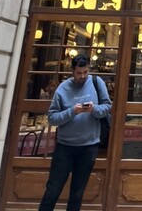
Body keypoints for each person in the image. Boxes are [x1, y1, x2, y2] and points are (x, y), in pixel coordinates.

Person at [38, 55, 111, 211]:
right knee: (53, 190)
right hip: (65, 147)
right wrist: (72, 111)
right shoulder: (63, 88)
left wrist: (94, 109)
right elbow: (52, 118)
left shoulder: (97, 82)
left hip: (89, 147)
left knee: (77, 193)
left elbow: (106, 107)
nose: (82, 76)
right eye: (79, 73)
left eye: (85, 72)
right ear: (72, 71)